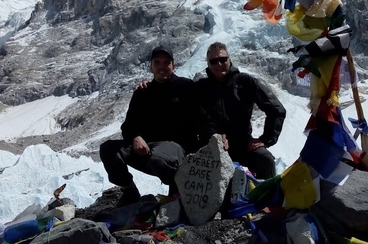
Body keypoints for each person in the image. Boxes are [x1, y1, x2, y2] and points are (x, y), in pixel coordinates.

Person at [100, 45, 197, 206]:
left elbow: (202, 115)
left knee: (158, 160)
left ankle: (178, 189)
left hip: (176, 149)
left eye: (166, 62)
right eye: (157, 62)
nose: (161, 67)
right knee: (108, 149)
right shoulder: (143, 92)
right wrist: (136, 137)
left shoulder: (187, 87)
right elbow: (128, 126)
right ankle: (130, 191)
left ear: (173, 65)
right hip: (146, 149)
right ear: (151, 66)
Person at [195, 42, 286, 180]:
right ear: (208, 64)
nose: (219, 64)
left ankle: (267, 199)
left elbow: (276, 109)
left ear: (229, 59)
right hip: (211, 146)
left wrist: (265, 140)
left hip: (244, 144)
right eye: (213, 61)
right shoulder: (200, 88)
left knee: (266, 160)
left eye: (222, 59)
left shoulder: (245, 82)